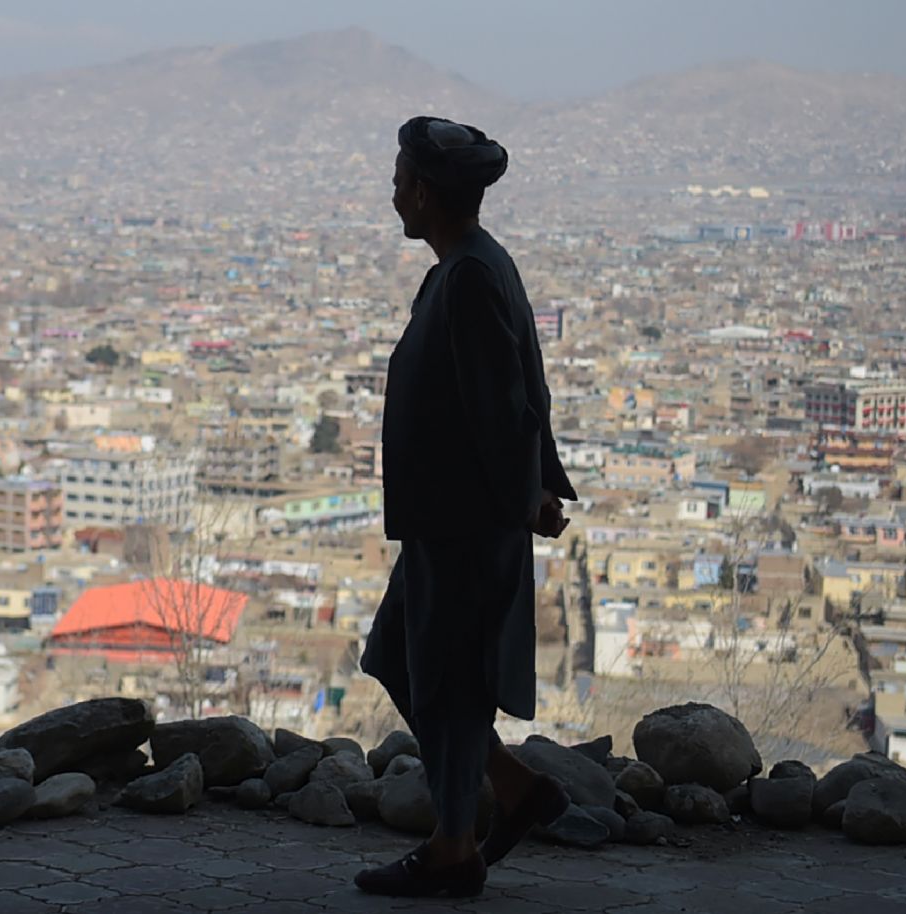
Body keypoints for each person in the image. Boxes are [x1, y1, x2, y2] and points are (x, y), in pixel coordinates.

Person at [353, 115, 579, 898]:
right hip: (444, 524)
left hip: (466, 527)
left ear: (424, 191)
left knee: (445, 681)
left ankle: (453, 849)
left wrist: (528, 500)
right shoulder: (466, 266)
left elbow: (505, 404)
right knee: (399, 658)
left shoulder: (473, 275)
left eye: (398, 180)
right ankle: (511, 786)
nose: (391, 193)